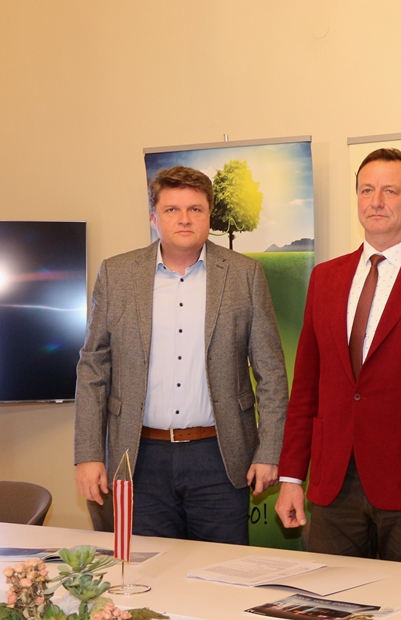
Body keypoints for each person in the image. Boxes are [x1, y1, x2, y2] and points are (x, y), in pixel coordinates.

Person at [275, 148, 401, 566]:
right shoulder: (325, 278)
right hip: (334, 484)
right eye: (367, 190)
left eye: (390, 190)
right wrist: (292, 476)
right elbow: (307, 387)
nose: (376, 201)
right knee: (329, 596)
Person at [74, 165, 289, 544]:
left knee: (222, 571)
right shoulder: (117, 274)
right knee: (147, 570)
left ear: (209, 215)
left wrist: (269, 452)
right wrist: (89, 453)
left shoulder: (244, 275)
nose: (184, 219)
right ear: (153, 217)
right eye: (172, 209)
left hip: (220, 459)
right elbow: (93, 369)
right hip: (139, 458)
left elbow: (271, 374)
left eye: (195, 209)